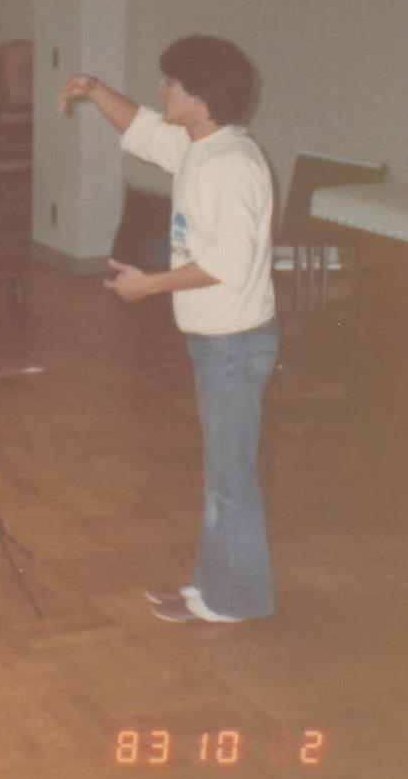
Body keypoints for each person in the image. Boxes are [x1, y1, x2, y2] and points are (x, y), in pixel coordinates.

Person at [56, 34, 277, 624]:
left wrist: (149, 285)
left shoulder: (231, 166)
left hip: (233, 343)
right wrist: (94, 90)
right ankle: (213, 588)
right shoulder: (201, 145)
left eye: (172, 83)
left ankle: (235, 600)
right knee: (221, 474)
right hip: (218, 340)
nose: (163, 89)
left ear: (201, 98)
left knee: (230, 478)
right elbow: (145, 129)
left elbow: (228, 263)